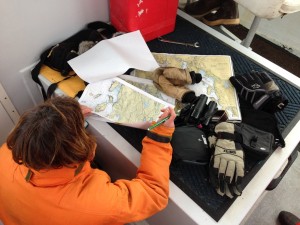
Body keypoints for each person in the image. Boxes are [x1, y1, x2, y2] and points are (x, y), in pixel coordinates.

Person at [0, 96, 176, 225]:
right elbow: (154, 193)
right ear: (86, 153)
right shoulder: (96, 204)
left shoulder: (7, 152)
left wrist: (66, 118)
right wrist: (158, 137)